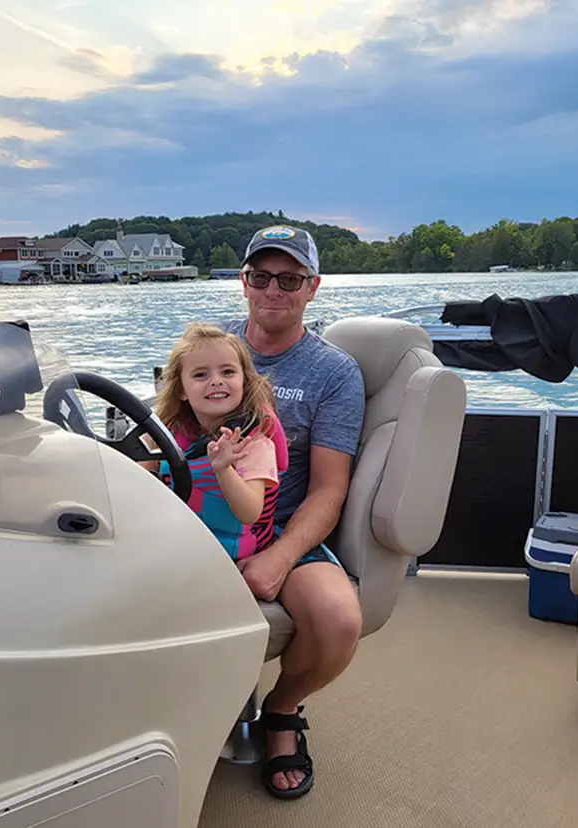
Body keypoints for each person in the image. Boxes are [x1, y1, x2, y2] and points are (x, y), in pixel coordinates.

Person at [222, 225, 366, 800]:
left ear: (313, 288)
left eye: (290, 279)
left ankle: (280, 712)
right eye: (262, 277)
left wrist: (278, 558)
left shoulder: (334, 373)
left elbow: (330, 491)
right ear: (244, 283)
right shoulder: (209, 346)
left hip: (283, 525)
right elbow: (168, 437)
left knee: (339, 621)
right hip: (200, 514)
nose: (273, 290)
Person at [146, 322, 289, 562]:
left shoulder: (254, 445)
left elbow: (250, 512)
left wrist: (223, 469)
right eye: (201, 374)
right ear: (181, 389)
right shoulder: (169, 433)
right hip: (180, 546)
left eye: (228, 372)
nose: (216, 381)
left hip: (229, 558)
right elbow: (135, 472)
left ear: (244, 382)